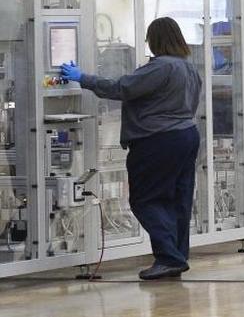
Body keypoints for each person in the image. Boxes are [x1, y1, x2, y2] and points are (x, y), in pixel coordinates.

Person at [60, 17, 203, 280]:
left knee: (145, 199)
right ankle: (177, 257)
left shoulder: (160, 67)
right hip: (187, 136)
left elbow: (121, 88)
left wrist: (83, 78)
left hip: (157, 140)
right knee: (177, 200)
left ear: (154, 40)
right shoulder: (189, 69)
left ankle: (169, 258)